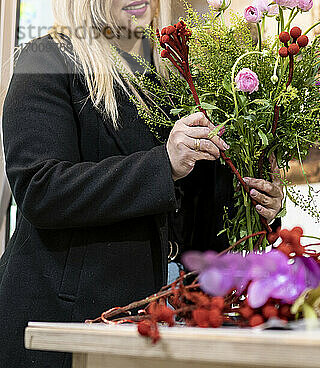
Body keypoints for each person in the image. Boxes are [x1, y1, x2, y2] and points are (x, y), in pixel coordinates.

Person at [0, 1, 283, 367]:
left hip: (160, 318)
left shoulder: (175, 77)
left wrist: (258, 205)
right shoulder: (46, 59)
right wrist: (162, 164)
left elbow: (196, 216)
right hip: (64, 320)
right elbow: (41, 188)